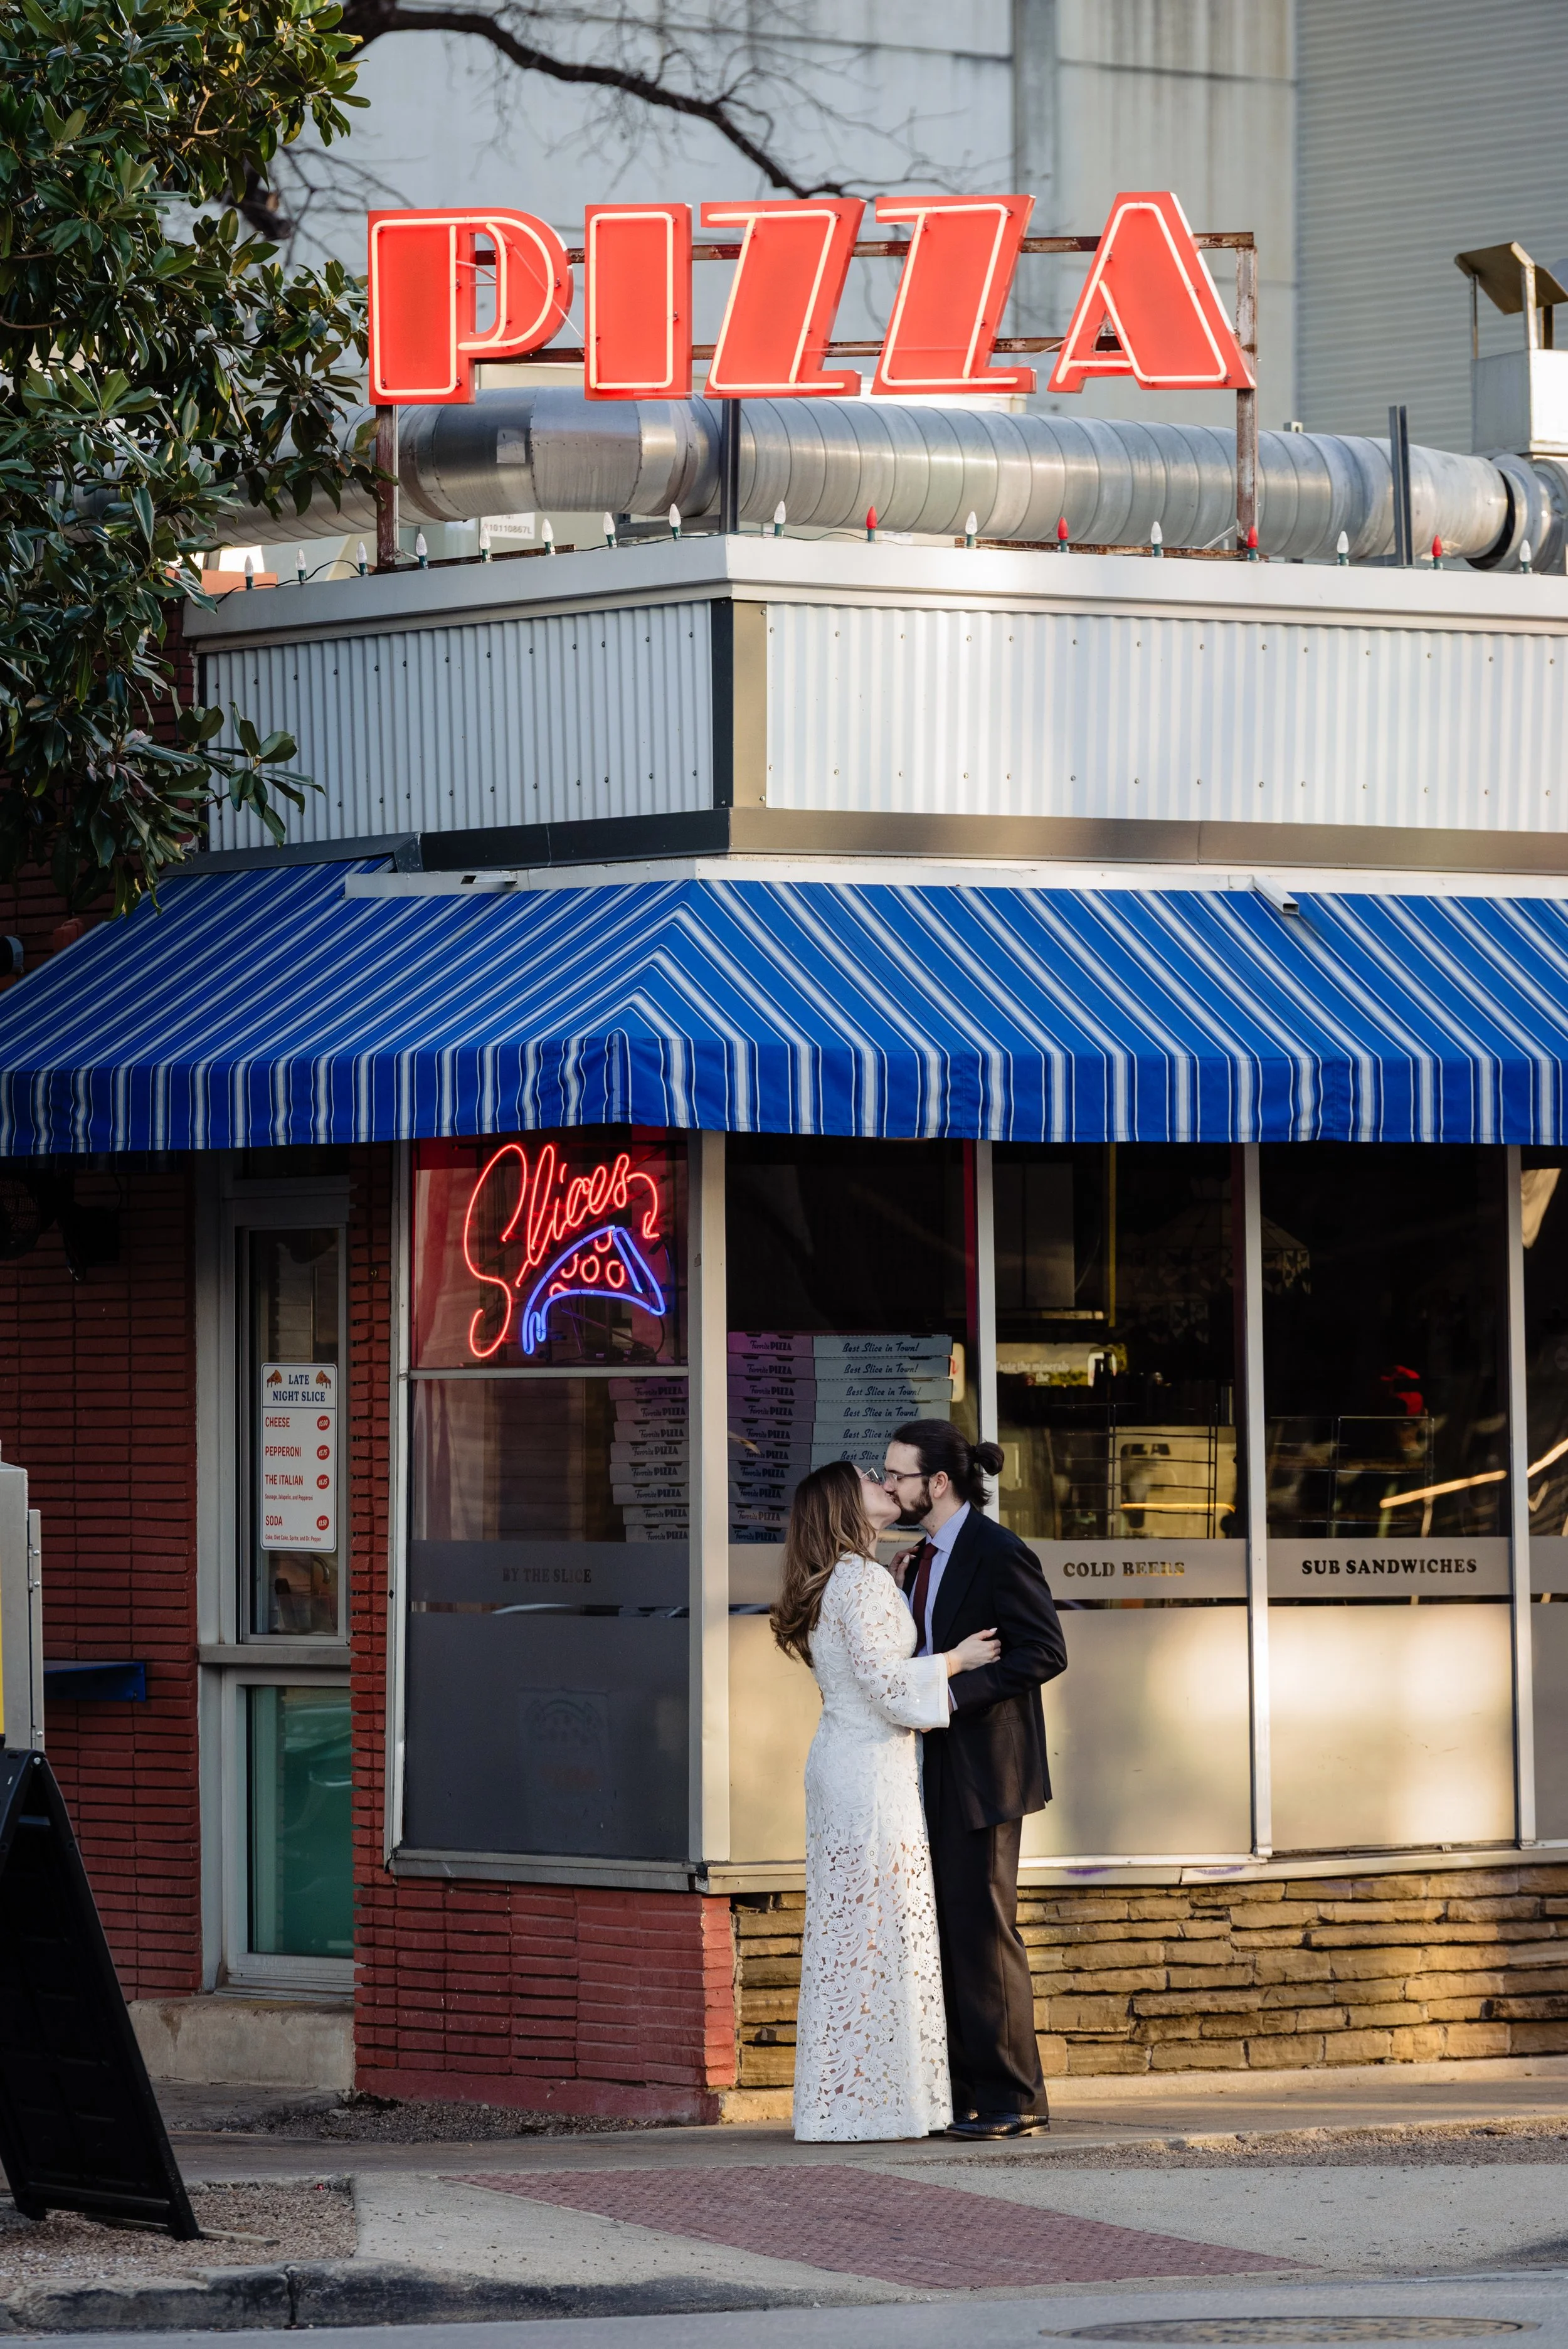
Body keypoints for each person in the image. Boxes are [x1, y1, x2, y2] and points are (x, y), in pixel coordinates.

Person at [771, 1460, 1002, 2142]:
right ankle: (881, 2100)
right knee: (882, 1925)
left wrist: (897, 1592)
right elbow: (887, 1687)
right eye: (871, 1477)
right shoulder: (863, 1581)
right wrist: (956, 1660)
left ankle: (851, 2094)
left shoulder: (850, 1580)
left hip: (844, 1761)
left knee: (853, 1933)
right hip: (870, 1769)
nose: (885, 1482)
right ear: (847, 1502)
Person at [882, 1421, 1067, 2140]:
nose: (889, 1484)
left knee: (984, 1930)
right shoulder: (921, 1556)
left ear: (938, 1482)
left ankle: (1012, 2099)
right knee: (952, 1929)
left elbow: (1043, 1651)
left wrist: (954, 1695)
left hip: (986, 1769)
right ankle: (965, 2090)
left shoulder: (995, 1550)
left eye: (898, 1474)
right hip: (933, 1766)